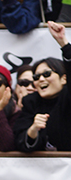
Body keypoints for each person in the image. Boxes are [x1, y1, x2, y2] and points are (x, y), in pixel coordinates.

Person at [15, 20, 71, 151]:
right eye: (36, 77)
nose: (40, 79)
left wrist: (63, 43)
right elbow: (20, 141)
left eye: (46, 74)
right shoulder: (30, 102)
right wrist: (33, 130)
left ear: (64, 79)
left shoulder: (67, 95)